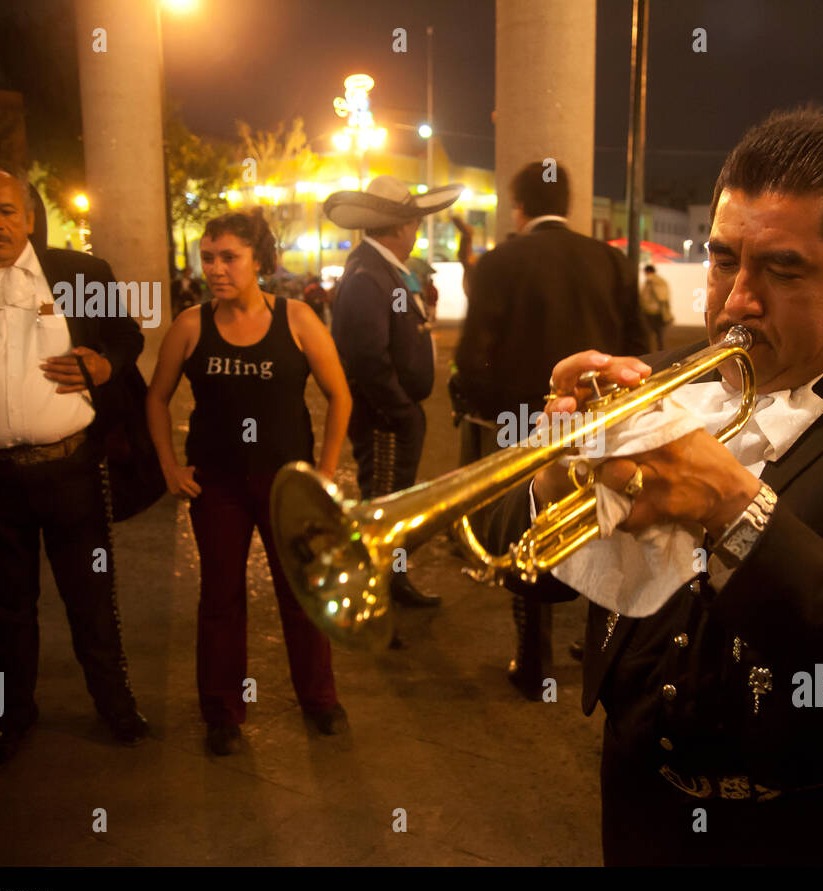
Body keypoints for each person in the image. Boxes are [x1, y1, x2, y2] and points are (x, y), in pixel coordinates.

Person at [480, 107, 823, 865]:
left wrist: (734, 505)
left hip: (795, 826)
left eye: (782, 269)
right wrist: (557, 472)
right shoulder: (653, 379)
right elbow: (521, 568)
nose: (735, 301)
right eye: (724, 259)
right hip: (636, 794)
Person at [0, 165, 150, 772]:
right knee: (2, 607)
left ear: (30, 218)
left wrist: (106, 365)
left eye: (7, 210)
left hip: (73, 473)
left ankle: (114, 703)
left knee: (91, 596)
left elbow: (126, 342)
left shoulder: (81, 276)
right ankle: (11, 715)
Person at [145, 209, 353, 756]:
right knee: (220, 598)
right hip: (217, 486)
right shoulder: (191, 325)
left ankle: (320, 700)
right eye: (208, 258)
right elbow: (156, 398)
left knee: (301, 593)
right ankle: (221, 712)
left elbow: (341, 395)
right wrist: (170, 466)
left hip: (287, 485)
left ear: (258, 260)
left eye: (228, 257)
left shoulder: (298, 319)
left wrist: (325, 474)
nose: (215, 268)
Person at [453, 160, 649, 698]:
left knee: (533, 528)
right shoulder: (608, 260)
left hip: (525, 421)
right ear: (567, 202)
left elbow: (473, 358)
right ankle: (601, 639)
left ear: (518, 207)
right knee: (604, 519)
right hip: (606, 415)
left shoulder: (499, 262)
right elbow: (640, 340)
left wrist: (496, 406)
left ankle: (534, 659)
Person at [324, 175, 464, 609]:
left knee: (393, 506)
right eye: (414, 223)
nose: (418, 231)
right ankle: (377, 596)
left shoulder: (379, 269)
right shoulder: (370, 275)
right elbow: (366, 356)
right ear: (399, 227)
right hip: (385, 417)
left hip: (393, 413)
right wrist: (400, 409)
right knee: (382, 507)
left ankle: (393, 584)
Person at [640, 264, 674, 349]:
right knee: (659, 334)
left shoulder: (651, 281)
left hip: (651, 312)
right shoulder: (661, 281)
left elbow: (646, 297)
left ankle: (652, 350)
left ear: (647, 272)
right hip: (658, 312)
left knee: (648, 333)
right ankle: (660, 349)